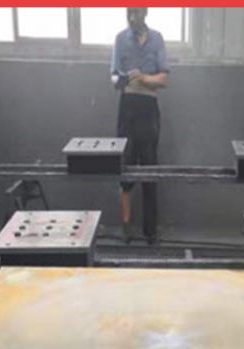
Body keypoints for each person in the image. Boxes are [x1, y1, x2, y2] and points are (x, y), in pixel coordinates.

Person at [111, 8, 168, 244]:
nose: (133, 19)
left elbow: (163, 78)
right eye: (130, 15)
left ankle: (150, 231)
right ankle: (126, 227)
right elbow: (113, 75)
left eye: (137, 14)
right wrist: (121, 79)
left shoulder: (157, 39)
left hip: (148, 108)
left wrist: (143, 78)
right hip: (127, 106)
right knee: (125, 168)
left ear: (145, 13)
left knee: (149, 168)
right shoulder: (120, 39)